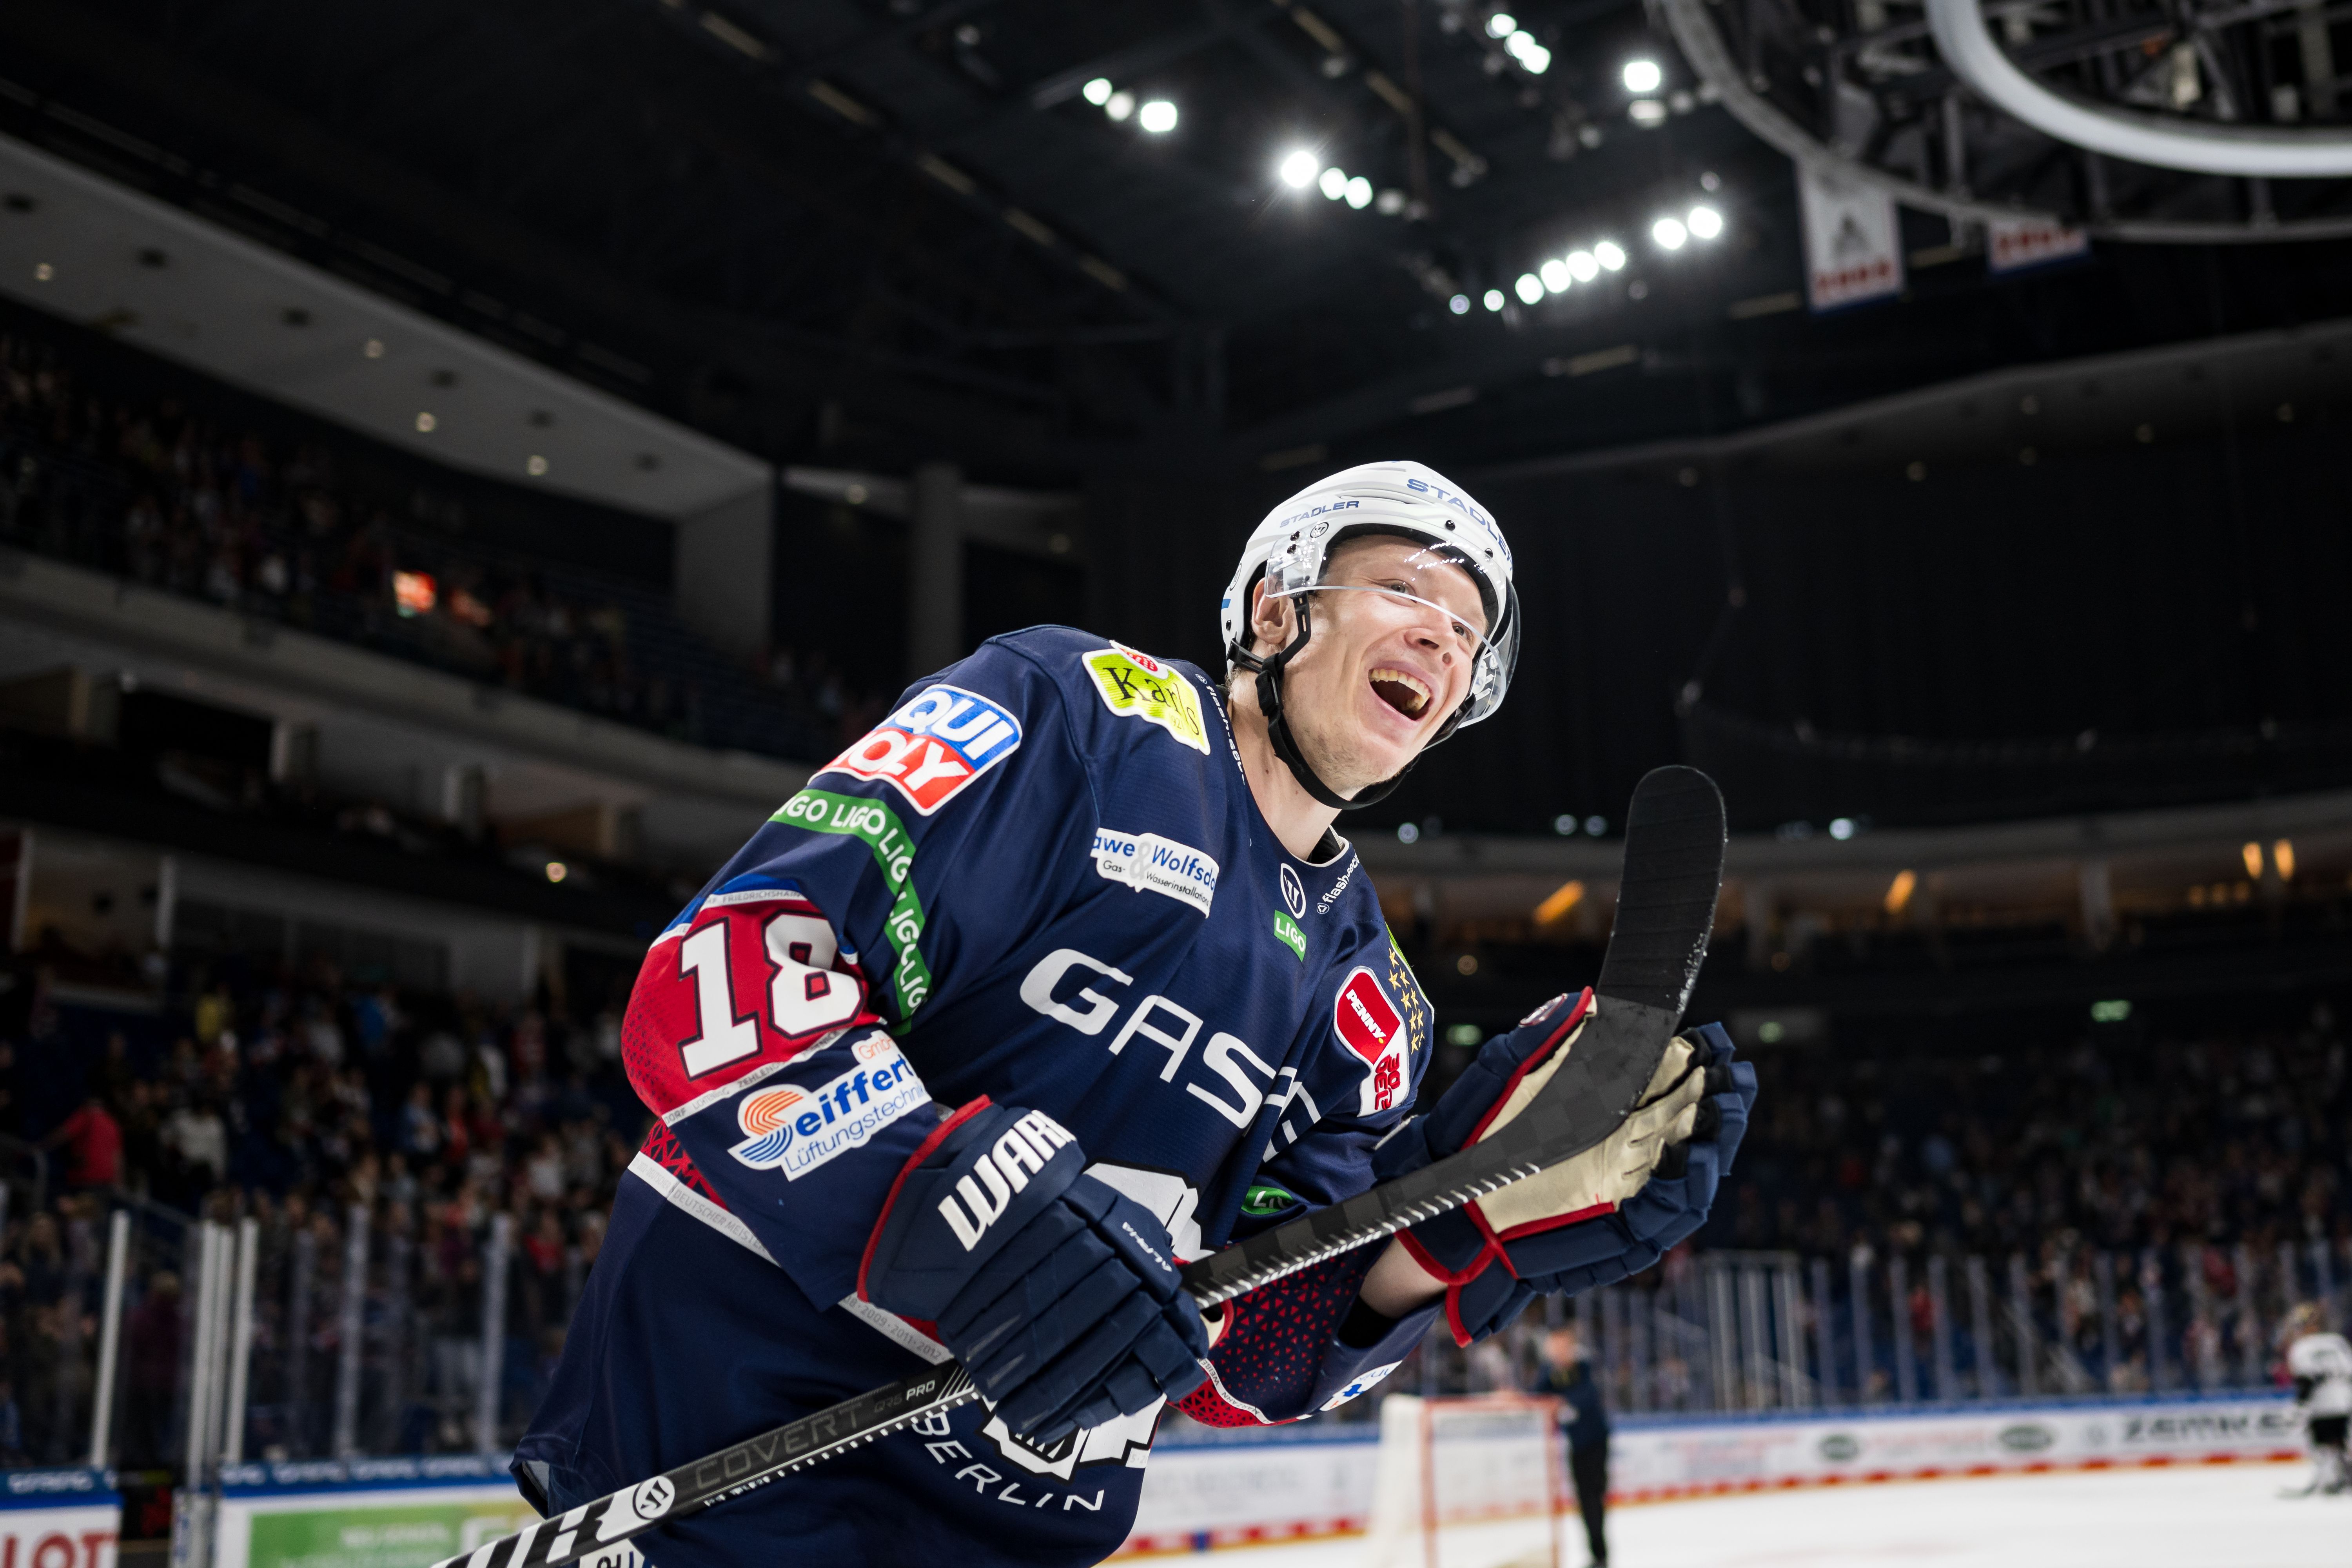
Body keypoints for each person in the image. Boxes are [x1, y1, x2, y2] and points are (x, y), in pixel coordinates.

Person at [514, 462, 1758, 1567]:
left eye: (1466, 633)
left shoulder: (1373, 1001)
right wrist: (957, 1214)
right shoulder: (1077, 713)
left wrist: (1440, 1238)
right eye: (1402, 591)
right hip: (717, 1478)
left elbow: (1243, 1360)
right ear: (1274, 608)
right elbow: (725, 975)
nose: (1440, 639)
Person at [1534, 1323, 1612, 1566]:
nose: (1558, 1350)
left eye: (1562, 1344)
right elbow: (1539, 1394)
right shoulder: (1551, 1371)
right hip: (1577, 1443)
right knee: (1584, 1499)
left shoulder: (1585, 1366)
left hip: (1596, 1441)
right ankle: (1597, 1553)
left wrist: (1562, 1401)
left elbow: (1587, 1394)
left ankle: (1600, 1555)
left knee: (1593, 1499)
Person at [2282, 1301, 2352, 1495]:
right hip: (2344, 1399)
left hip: (2322, 1404)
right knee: (2340, 1440)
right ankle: (2343, 1475)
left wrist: (2300, 1405)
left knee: (2322, 1444)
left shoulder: (2302, 1348)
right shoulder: (2337, 1342)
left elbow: (2306, 1380)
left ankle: (2330, 1479)